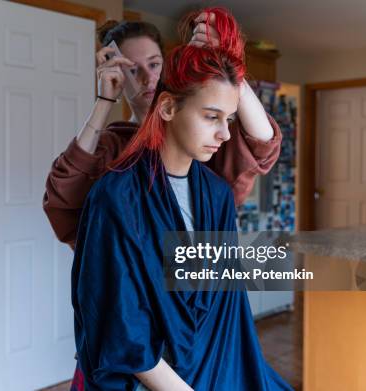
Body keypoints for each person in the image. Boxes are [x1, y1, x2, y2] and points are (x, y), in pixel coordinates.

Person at [69, 7, 293, 391]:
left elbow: (224, 310)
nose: (224, 134)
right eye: (211, 117)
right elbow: (126, 332)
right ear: (169, 107)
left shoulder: (218, 194)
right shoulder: (115, 195)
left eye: (229, 119)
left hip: (218, 371)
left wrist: (226, 67)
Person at [43, 10, 282, 250]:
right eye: (133, 69)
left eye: (155, 64)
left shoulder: (201, 138)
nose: (149, 78)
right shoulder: (113, 148)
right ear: (117, 73)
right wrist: (104, 100)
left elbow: (262, 144)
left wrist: (226, 65)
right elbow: (64, 198)